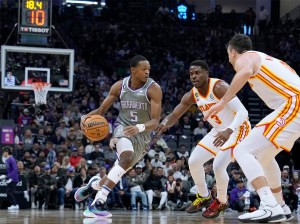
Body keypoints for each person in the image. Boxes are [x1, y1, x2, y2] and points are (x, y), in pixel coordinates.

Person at [204, 34, 297, 222]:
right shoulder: (266, 59)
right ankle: (280, 206)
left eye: (228, 55)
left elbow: (245, 71)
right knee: (264, 157)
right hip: (292, 106)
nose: (229, 59)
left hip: (293, 104)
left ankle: (269, 205)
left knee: (242, 150)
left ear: (232, 51)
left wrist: (222, 102)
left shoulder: (246, 57)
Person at [157, 60, 251, 218]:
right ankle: (204, 196)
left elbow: (243, 112)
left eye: (197, 73)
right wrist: (164, 124)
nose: (194, 76)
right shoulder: (192, 94)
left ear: (207, 74)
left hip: (238, 128)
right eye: (191, 74)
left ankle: (222, 200)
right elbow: (175, 114)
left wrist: (229, 130)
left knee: (218, 165)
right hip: (219, 130)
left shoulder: (219, 87)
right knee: (193, 161)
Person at [74, 55, 162, 217]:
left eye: (148, 69)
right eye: (143, 69)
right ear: (133, 70)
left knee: (119, 169)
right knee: (126, 157)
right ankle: (98, 202)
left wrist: (139, 127)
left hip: (142, 135)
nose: (147, 72)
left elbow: (155, 121)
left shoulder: (153, 89)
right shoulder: (119, 86)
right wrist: (85, 118)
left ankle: (94, 186)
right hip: (122, 127)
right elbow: (101, 112)